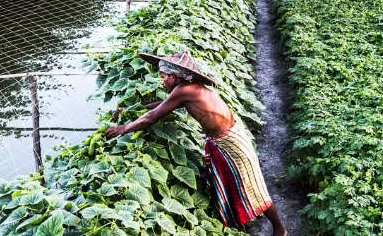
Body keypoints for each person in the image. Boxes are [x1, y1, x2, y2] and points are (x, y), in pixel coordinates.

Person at [103, 52, 286, 236]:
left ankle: (280, 229)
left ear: (173, 77)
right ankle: (238, 223)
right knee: (233, 184)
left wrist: (124, 128)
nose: (162, 82)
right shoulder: (188, 89)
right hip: (226, 139)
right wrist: (132, 109)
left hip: (230, 142)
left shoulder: (184, 91)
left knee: (253, 188)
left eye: (163, 77)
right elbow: (162, 106)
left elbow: (152, 117)